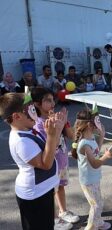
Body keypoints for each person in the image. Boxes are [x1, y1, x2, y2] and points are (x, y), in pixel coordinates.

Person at [0, 92, 66, 230]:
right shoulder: (21, 141)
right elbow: (45, 164)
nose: (34, 113)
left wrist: (57, 130)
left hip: (43, 190)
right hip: (34, 195)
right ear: (17, 116)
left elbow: (49, 149)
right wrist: (52, 136)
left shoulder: (29, 130)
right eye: (30, 110)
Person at [31, 87, 79, 229]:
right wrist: (56, 128)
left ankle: (63, 211)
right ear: (37, 104)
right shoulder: (38, 124)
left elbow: (72, 136)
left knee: (60, 188)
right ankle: (54, 220)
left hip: (62, 162)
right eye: (48, 101)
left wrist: (64, 122)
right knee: (50, 192)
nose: (53, 104)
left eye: (53, 100)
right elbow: (48, 144)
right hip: (50, 164)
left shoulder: (56, 118)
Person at [71, 107, 112, 230]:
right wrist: (105, 157)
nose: (99, 125)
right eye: (97, 122)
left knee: (99, 202)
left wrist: (102, 137)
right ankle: (91, 227)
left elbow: (96, 151)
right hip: (88, 180)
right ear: (90, 124)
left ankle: (98, 222)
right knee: (95, 205)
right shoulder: (84, 144)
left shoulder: (91, 138)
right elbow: (95, 163)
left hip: (94, 178)